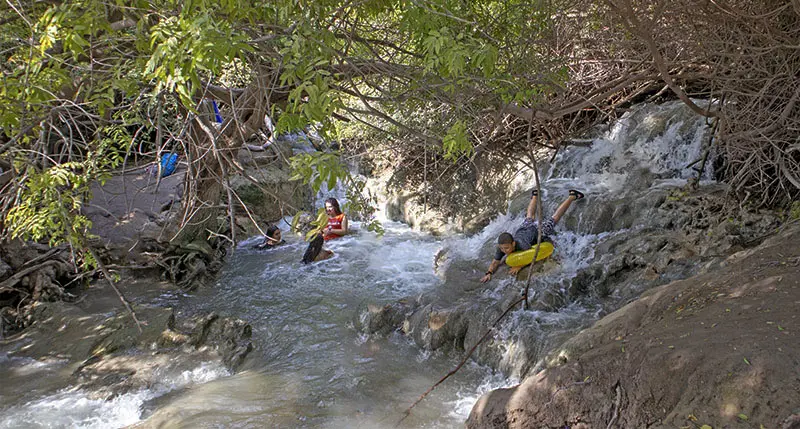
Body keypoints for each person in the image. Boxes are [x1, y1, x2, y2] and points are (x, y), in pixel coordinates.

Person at [480, 189, 584, 283]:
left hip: (538, 231)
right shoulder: (502, 247)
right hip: (524, 229)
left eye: (507, 248)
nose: (505, 251)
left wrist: (519, 266)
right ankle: (535, 195)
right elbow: (495, 262)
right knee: (529, 215)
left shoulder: (522, 245)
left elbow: (533, 255)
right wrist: (488, 273)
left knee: (555, 218)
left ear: (513, 243)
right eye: (502, 248)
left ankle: (572, 196)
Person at [301, 198, 348, 264]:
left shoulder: (342, 217)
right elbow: (319, 228)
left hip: (337, 242)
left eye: (330, 207)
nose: (328, 209)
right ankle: (305, 262)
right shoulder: (324, 217)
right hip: (325, 242)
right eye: (326, 207)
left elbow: (344, 231)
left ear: (335, 206)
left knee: (315, 257)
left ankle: (306, 263)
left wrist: (331, 230)